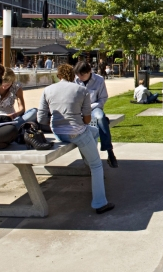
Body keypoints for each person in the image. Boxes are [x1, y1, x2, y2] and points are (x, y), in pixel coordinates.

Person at [38, 64, 114, 214]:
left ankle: (87, 153)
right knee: (96, 165)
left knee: (94, 131)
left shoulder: (47, 90)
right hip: (77, 132)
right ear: (73, 76)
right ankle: (100, 203)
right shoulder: (81, 90)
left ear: (58, 76)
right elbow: (86, 120)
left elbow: (41, 118)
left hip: (59, 132)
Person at [74, 61, 118, 168]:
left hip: (94, 108)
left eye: (82, 75)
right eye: (78, 74)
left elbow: (103, 98)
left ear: (89, 72)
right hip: (77, 110)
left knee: (100, 117)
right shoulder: (74, 80)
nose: (79, 77)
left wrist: (88, 108)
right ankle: (89, 159)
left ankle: (109, 151)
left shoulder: (99, 80)